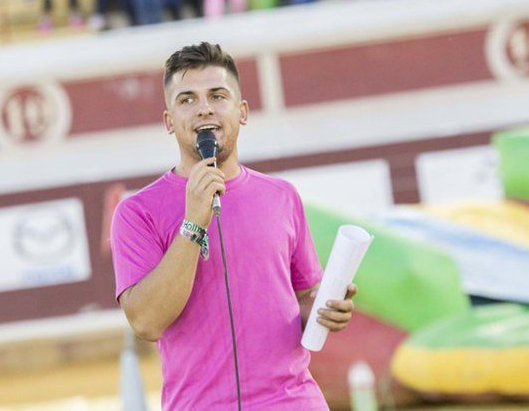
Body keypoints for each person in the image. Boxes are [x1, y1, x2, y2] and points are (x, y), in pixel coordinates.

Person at [111, 42, 356, 409]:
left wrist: (325, 310)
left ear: (241, 112)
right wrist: (193, 222)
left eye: (217, 95)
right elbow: (146, 322)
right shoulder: (137, 212)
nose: (204, 108)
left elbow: (303, 299)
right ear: (169, 121)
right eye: (187, 99)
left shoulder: (282, 196)